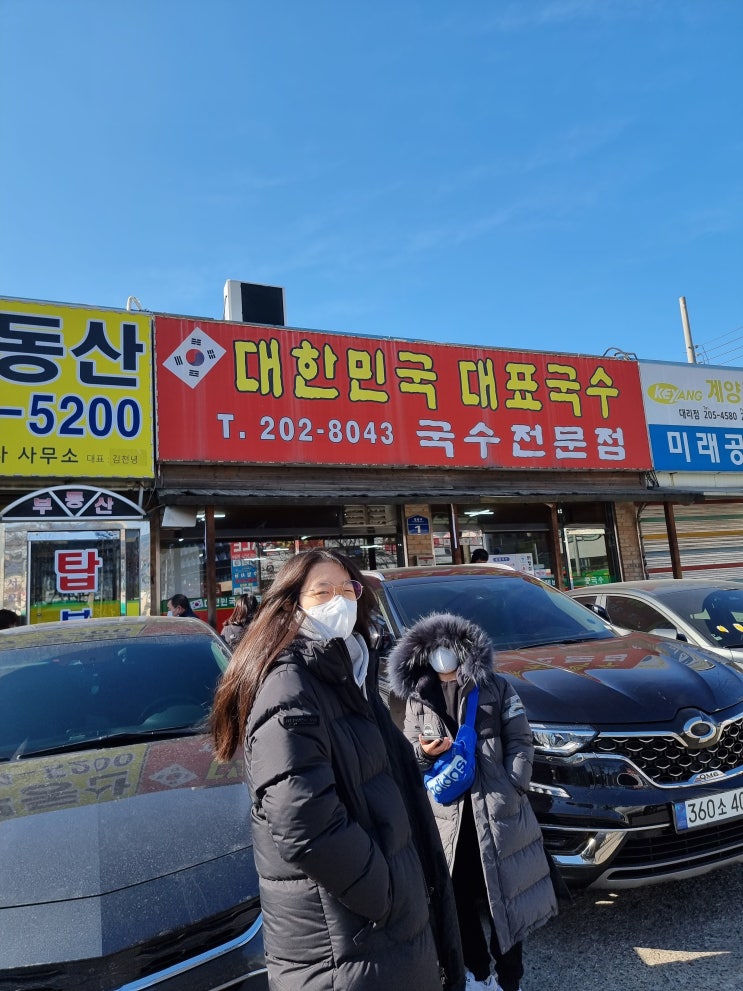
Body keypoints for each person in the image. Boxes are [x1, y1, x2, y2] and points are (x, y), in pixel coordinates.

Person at [211, 549, 464, 991]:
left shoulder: (349, 671)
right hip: (344, 944)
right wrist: (387, 896)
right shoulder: (289, 683)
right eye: (322, 592)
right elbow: (303, 819)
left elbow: (373, 770)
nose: (339, 601)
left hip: (372, 939)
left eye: (348, 589)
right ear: (291, 606)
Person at [388, 612, 558, 991]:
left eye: (449, 647)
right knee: (458, 899)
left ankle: (509, 978)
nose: (443, 656)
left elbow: (520, 738)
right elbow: (410, 752)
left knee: (505, 899)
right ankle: (478, 973)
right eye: (435, 649)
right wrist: (426, 753)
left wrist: (515, 783)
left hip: (497, 812)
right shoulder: (418, 698)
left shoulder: (496, 687)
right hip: (448, 818)